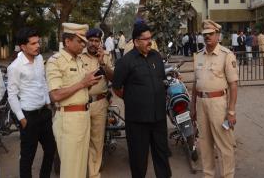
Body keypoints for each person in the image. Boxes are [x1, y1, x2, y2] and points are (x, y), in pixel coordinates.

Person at [112, 22, 171, 178]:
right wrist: (132, 99)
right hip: (137, 121)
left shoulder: (156, 57)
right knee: (138, 159)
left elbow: (161, 81)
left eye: (150, 38)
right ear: (136, 41)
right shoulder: (125, 62)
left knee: (162, 155)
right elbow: (116, 87)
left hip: (158, 118)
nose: (149, 42)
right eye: (145, 39)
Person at [46, 23, 102, 178]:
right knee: (71, 170)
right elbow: (55, 95)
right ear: (67, 41)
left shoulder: (78, 60)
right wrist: (82, 83)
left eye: (84, 42)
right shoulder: (55, 61)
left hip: (83, 116)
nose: (83, 45)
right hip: (68, 119)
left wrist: (89, 84)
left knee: (80, 167)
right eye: (80, 41)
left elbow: (81, 90)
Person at [191, 20, 238, 178]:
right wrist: (192, 106)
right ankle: (208, 175)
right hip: (201, 104)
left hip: (218, 104)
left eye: (211, 34)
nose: (207, 37)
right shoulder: (198, 56)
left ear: (218, 35)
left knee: (224, 144)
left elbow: (233, 85)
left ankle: (227, 175)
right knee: (204, 144)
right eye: (205, 35)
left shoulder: (226, 55)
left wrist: (231, 111)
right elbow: (195, 84)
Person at [6, 28, 56, 178]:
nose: (37, 46)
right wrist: (22, 119)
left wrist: (48, 103)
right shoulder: (15, 67)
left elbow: (42, 81)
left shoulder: (40, 59)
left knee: (50, 149)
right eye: (33, 43)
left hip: (44, 114)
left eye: (38, 42)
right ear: (23, 46)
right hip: (29, 118)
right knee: (28, 156)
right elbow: (12, 95)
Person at [81, 28, 114, 178]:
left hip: (100, 104)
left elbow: (113, 77)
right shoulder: (78, 56)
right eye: (91, 40)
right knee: (80, 141)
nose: (94, 43)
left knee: (97, 141)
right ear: (86, 41)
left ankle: (94, 174)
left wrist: (103, 63)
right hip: (81, 104)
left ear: (100, 42)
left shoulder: (106, 56)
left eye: (97, 41)